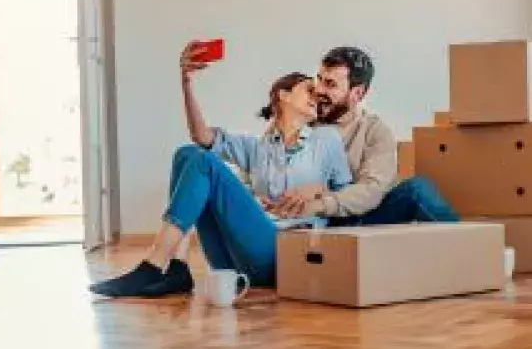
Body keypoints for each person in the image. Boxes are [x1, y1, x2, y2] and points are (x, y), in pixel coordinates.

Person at [90, 42, 352, 298]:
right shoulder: (255, 148)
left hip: (284, 253)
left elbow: (347, 201)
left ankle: (153, 266)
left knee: (204, 162)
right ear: (283, 95)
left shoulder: (327, 140)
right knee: (188, 154)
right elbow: (201, 136)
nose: (316, 96)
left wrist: (317, 190)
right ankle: (177, 268)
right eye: (309, 89)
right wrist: (186, 83)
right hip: (236, 258)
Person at [265, 46, 459, 225]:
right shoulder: (299, 119)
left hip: (354, 217)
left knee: (418, 190)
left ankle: (469, 248)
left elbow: (371, 190)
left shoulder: (374, 130)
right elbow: (261, 172)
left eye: (331, 84)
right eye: (319, 80)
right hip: (301, 219)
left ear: (357, 93)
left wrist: (321, 202)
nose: (319, 90)